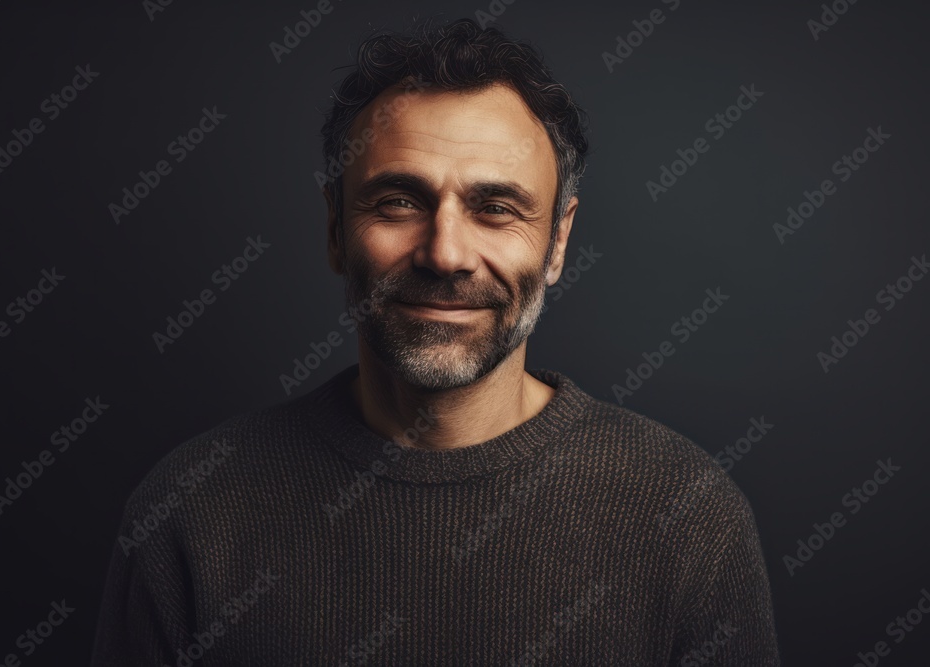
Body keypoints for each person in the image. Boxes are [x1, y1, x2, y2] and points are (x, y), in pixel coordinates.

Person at [91, 17, 780, 666]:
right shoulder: (188, 512)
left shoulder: (689, 516)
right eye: (399, 201)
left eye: (496, 209)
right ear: (335, 226)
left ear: (558, 240)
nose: (445, 253)